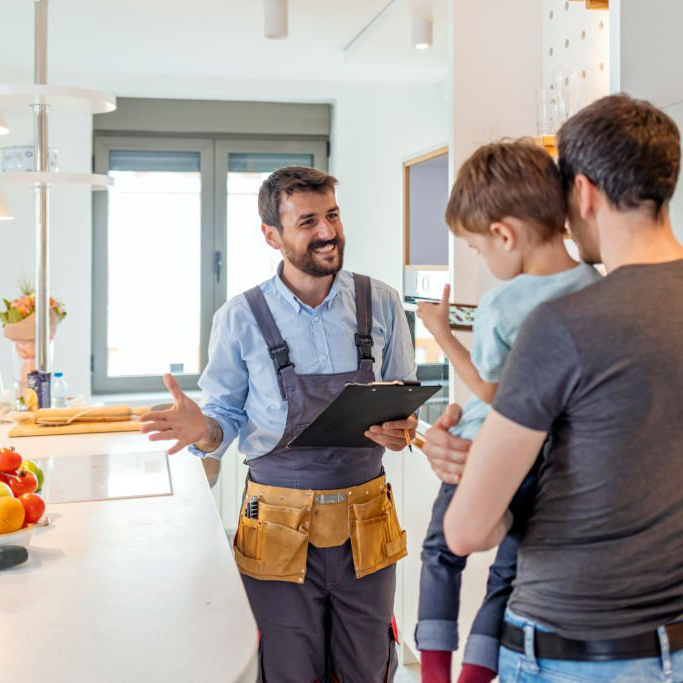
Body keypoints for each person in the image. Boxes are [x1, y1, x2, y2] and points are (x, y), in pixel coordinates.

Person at [426, 94, 683, 682]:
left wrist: (463, 466)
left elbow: (468, 531)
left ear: (586, 192)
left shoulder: (563, 327)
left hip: (571, 648)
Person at [140, 166, 417, 682]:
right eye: (308, 221)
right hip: (276, 528)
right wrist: (202, 428)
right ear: (271, 235)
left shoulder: (380, 301)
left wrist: (402, 428)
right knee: (287, 670)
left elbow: (402, 398)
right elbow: (222, 418)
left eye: (332, 215)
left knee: (368, 668)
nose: (328, 232)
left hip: (367, 524)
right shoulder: (240, 317)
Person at [414, 140, 600, 683]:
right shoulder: (594, 284)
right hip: (549, 463)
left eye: (475, 248)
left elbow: (493, 392)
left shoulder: (503, 298)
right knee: (508, 572)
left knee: (441, 551)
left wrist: (443, 336)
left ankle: (433, 675)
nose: (482, 260)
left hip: (483, 450)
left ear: (503, 234)